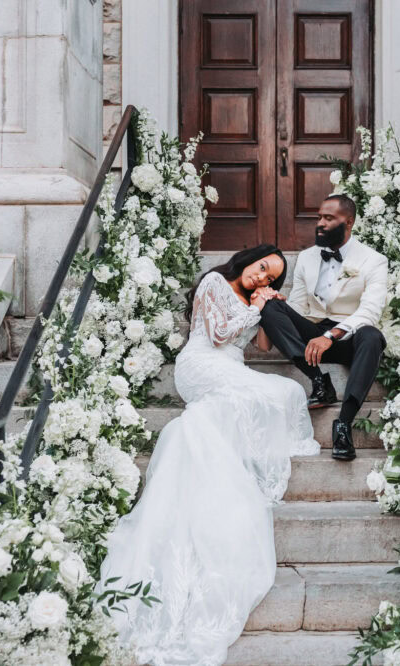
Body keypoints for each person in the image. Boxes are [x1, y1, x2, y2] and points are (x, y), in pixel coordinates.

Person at [97, 244, 318, 666]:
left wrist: (269, 309)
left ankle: (217, 441)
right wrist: (255, 304)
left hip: (232, 366)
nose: (262, 278)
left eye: (271, 278)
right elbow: (217, 335)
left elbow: (265, 346)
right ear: (249, 259)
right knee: (247, 396)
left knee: (286, 390)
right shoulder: (215, 282)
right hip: (201, 364)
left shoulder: (256, 297)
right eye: (261, 268)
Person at [259, 194, 388, 461]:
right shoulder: (306, 257)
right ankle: (319, 381)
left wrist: (330, 336)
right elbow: (297, 305)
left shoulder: (373, 261)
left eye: (328, 218)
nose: (320, 223)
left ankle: (343, 424)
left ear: (348, 222)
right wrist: (277, 311)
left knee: (372, 336)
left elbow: (370, 312)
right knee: (272, 304)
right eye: (319, 217)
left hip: (348, 338)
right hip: (312, 337)